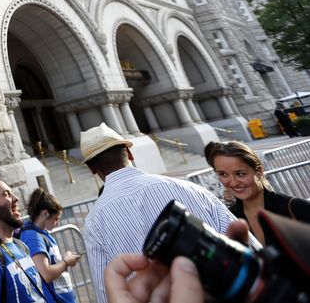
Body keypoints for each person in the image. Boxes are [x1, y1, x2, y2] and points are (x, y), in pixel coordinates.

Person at [80, 124, 240, 303]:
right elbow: (240, 242)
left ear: (91, 169)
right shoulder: (188, 188)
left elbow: (106, 292)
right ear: (129, 152)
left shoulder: (93, 223)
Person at [205, 140, 310, 246]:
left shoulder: (296, 208)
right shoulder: (227, 220)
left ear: (259, 171)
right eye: (223, 174)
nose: (233, 183)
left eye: (240, 174)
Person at [18, 188, 81, 303]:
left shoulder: (42, 233)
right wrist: (66, 262)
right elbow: (45, 274)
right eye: (56, 219)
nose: (57, 223)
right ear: (45, 213)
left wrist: (64, 260)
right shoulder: (33, 236)